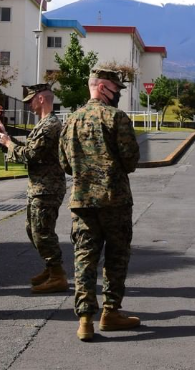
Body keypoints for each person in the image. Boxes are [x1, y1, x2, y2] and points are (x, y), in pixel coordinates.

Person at [59, 67, 140, 341]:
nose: (118, 95)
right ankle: (111, 312)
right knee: (116, 259)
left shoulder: (71, 120)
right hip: (114, 201)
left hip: (82, 202)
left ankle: (84, 320)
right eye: (116, 89)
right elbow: (130, 160)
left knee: (84, 259)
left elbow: (64, 164)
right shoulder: (117, 118)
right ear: (104, 87)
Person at [0, 83, 67, 293]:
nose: (28, 105)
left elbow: (30, 155)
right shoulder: (43, 123)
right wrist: (6, 136)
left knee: (42, 232)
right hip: (39, 187)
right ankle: (51, 267)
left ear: (41, 99)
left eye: (30, 100)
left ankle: (57, 274)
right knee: (33, 229)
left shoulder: (50, 126)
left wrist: (8, 143)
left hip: (47, 187)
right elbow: (28, 150)